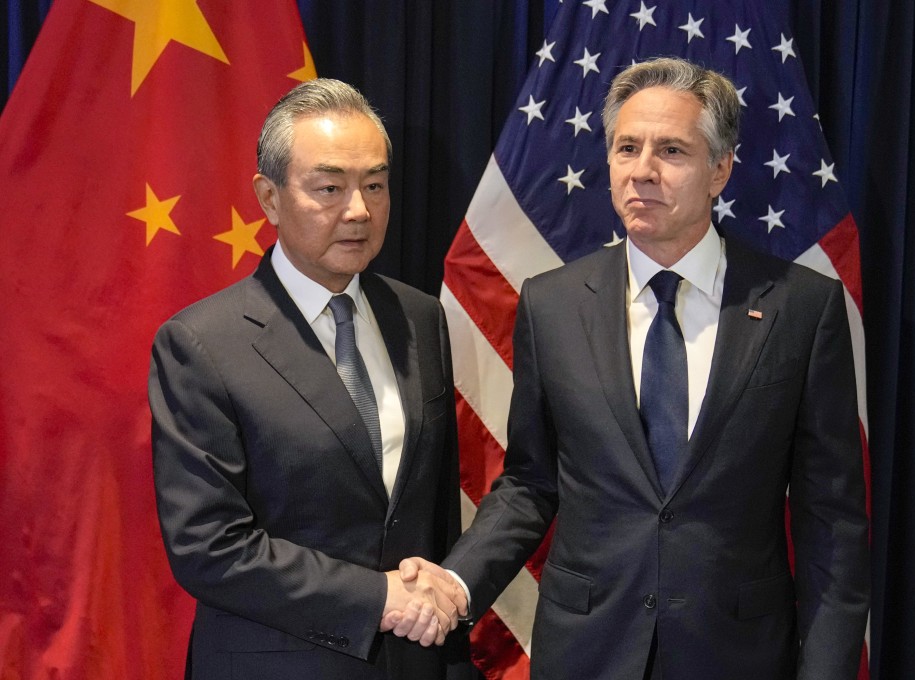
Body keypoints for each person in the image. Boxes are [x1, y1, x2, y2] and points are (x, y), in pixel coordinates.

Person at [398, 57, 870, 679]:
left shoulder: (802, 307)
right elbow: (530, 483)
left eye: (671, 150)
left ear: (720, 170)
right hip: (588, 652)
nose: (642, 171)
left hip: (737, 656)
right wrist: (459, 582)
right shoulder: (551, 303)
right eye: (627, 148)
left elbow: (830, 521)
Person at [149, 78, 469, 680]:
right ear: (269, 199)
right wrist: (377, 598)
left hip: (413, 662)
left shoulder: (420, 316)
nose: (359, 210)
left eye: (375, 185)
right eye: (329, 188)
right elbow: (208, 546)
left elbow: (431, 512)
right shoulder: (201, 343)